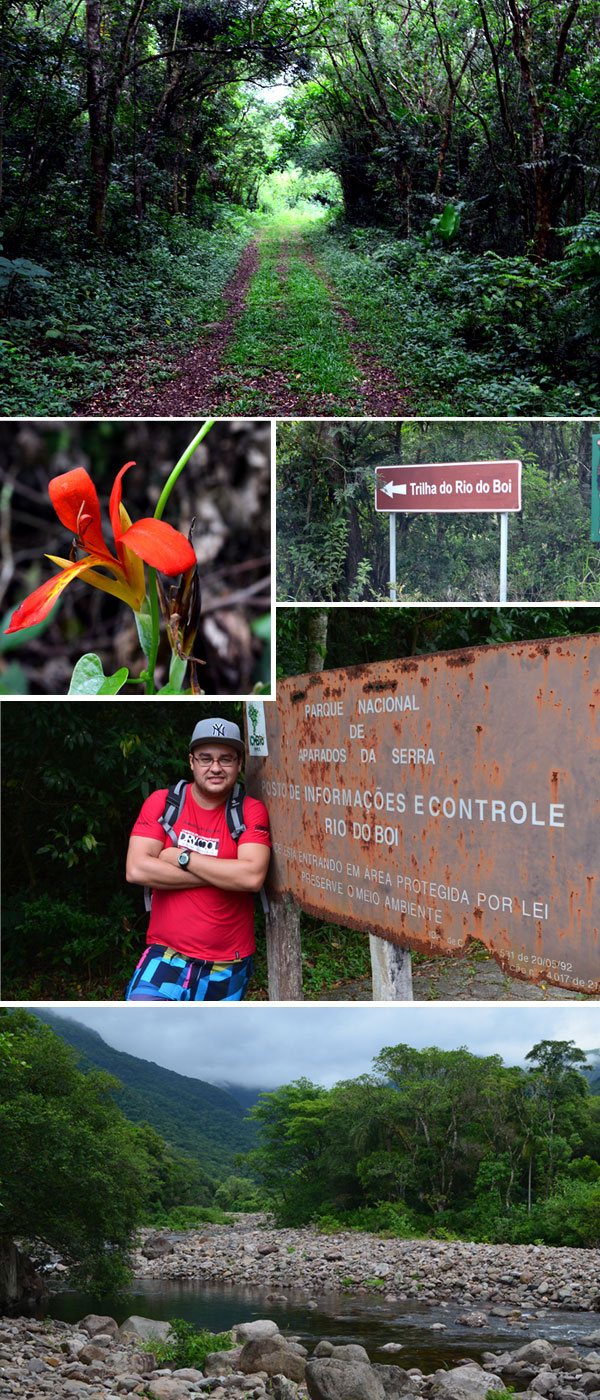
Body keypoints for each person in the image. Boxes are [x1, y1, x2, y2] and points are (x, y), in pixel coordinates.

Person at [124, 717, 271, 1001]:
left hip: (229, 961)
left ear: (239, 764)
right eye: (206, 758)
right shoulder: (163, 803)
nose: (215, 767)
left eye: (226, 759)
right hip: (166, 953)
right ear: (191, 762)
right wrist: (223, 876)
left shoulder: (250, 811)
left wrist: (182, 858)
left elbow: (251, 877)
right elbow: (137, 869)